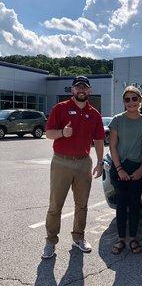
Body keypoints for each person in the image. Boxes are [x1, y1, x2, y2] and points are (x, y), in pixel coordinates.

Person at [42, 76, 105, 259]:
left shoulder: (94, 114)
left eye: (85, 88)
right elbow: (48, 134)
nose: (81, 90)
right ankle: (50, 242)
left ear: (89, 91)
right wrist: (63, 132)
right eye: (78, 87)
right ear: (72, 90)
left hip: (84, 162)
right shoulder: (59, 108)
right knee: (55, 205)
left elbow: (99, 140)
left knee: (82, 204)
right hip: (61, 161)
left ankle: (79, 238)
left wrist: (100, 162)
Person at [109, 86, 142, 255]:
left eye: (134, 98)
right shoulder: (117, 120)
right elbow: (112, 146)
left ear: (140, 100)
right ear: (123, 102)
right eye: (127, 99)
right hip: (119, 167)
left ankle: (133, 238)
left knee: (135, 204)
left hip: (137, 167)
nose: (131, 102)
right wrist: (119, 168)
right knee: (121, 204)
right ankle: (121, 239)